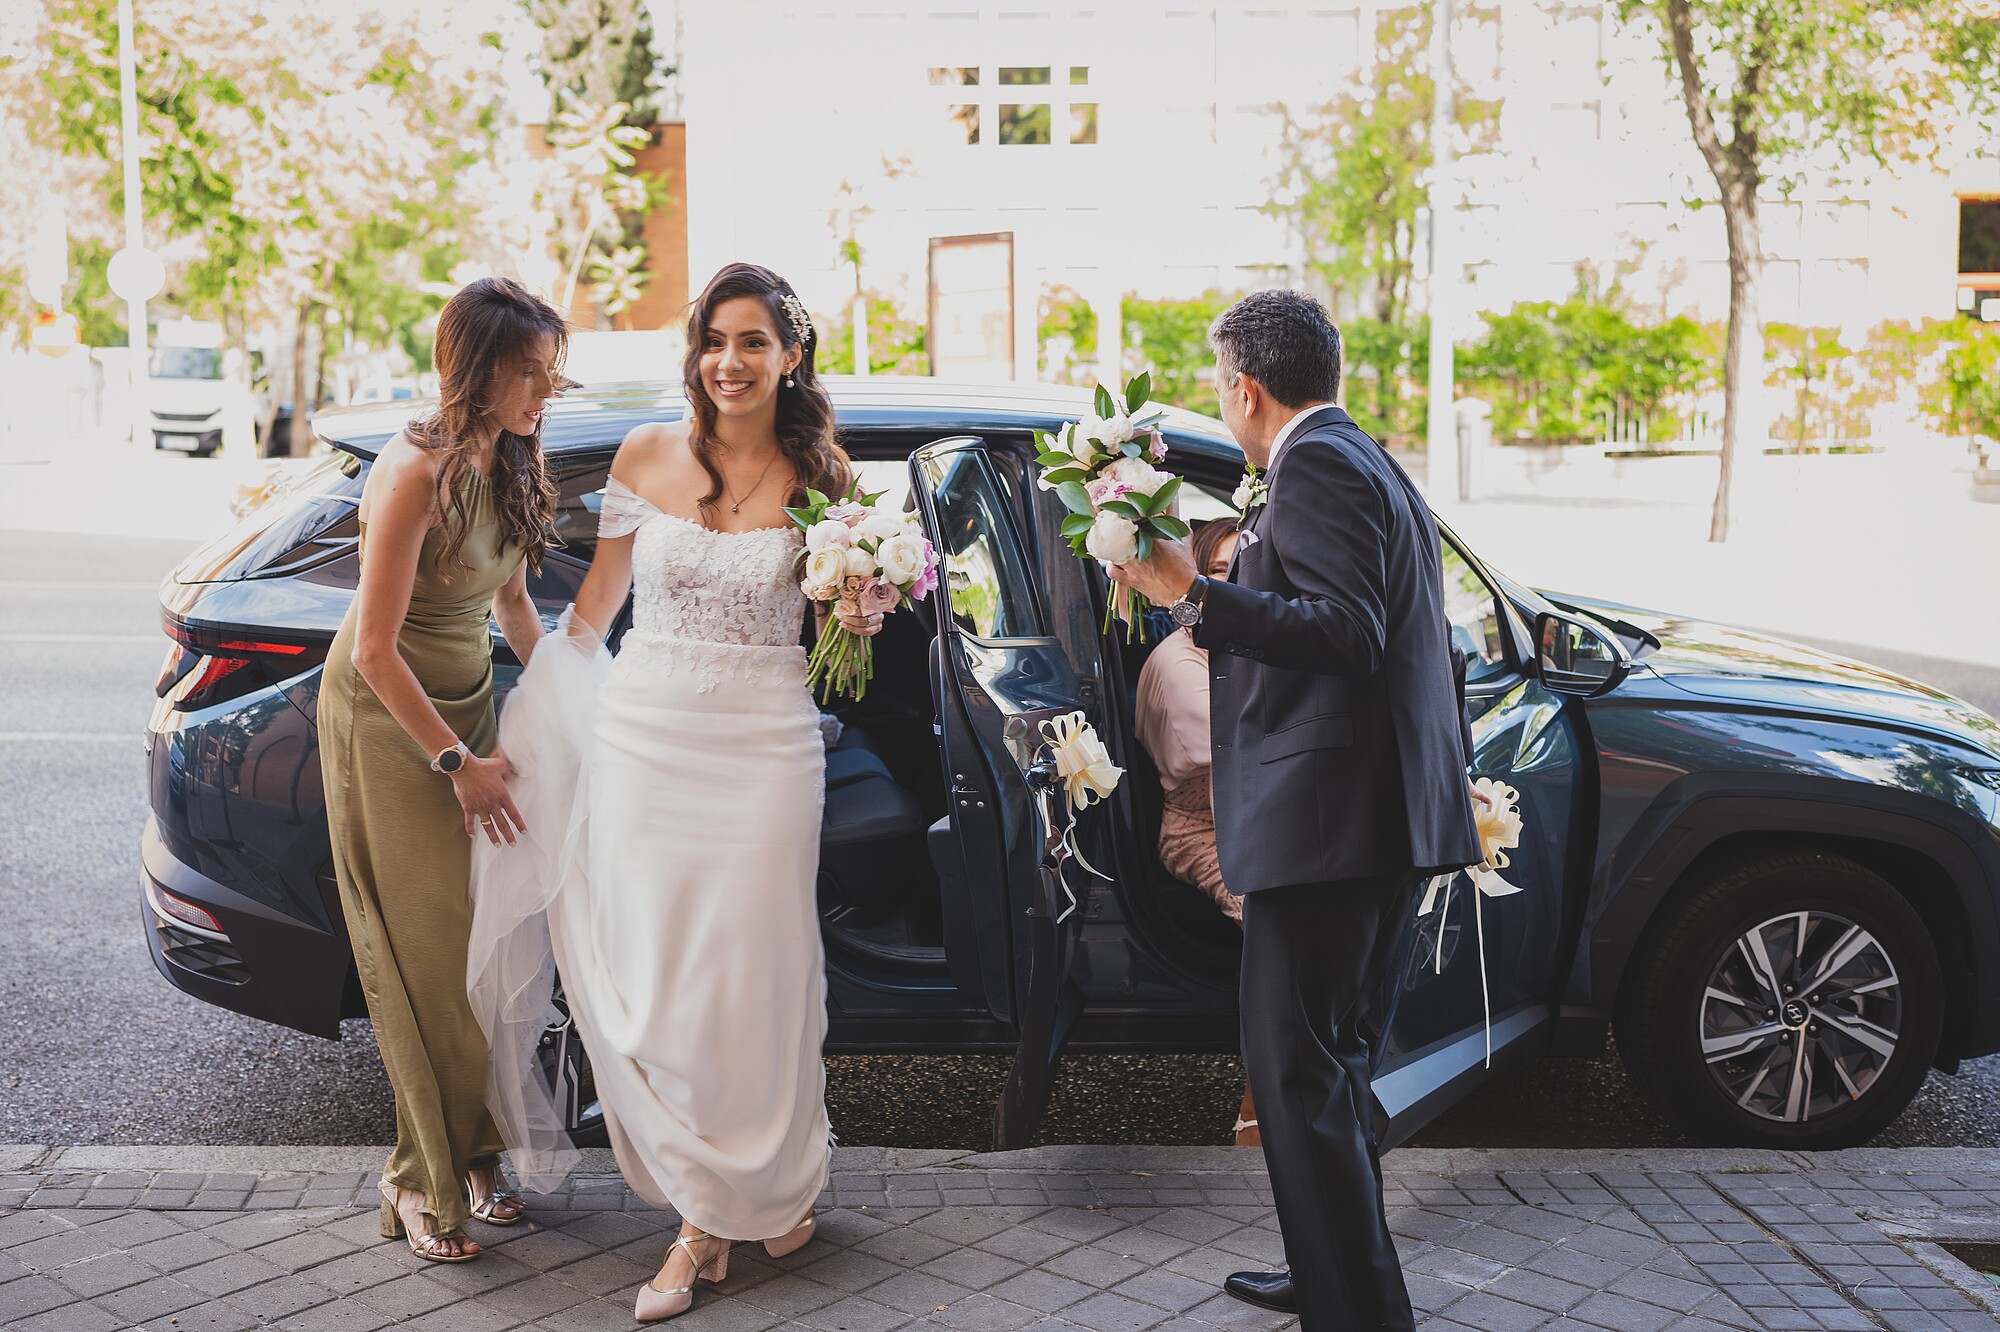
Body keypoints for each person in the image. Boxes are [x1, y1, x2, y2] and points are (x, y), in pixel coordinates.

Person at [467, 263, 882, 1322]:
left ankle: (711, 1223)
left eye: (752, 342)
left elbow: (841, 635)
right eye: (713, 340)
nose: (728, 363)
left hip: (766, 750)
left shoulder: (827, 479)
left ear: (790, 357)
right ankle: (731, 1199)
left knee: (754, 976)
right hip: (646, 744)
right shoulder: (647, 453)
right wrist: (536, 716)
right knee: (659, 980)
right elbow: (592, 614)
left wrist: (861, 608)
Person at [1110, 289, 1481, 1331]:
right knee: (1330, 1070)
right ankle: (1327, 1273)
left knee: (1295, 1074)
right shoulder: (1357, 455)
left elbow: (1345, 630)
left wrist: (1190, 596)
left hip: (1329, 828)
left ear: (1244, 388)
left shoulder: (1317, 464)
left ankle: (1357, 1309)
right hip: (1358, 823)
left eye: (1218, 383)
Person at [317, 277, 567, 1263]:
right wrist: (459, 764)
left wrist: (568, 705)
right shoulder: (413, 469)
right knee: (427, 961)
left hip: (462, 708)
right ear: (476, 369)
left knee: (482, 953)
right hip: (390, 725)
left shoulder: (508, 454)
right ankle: (419, 1176)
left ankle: (474, 1153)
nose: (545, 391)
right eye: (528, 372)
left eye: (551, 372)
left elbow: (512, 610)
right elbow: (374, 650)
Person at [1133, 519, 1262, 1147]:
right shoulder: (1178, 661)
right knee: (1274, 915)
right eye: (1217, 572)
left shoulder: (1248, 645)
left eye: (1249, 568)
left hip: (1261, 818)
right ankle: (1262, 1101)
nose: (1236, 582)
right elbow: (1241, 762)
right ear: (1191, 578)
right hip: (1203, 829)